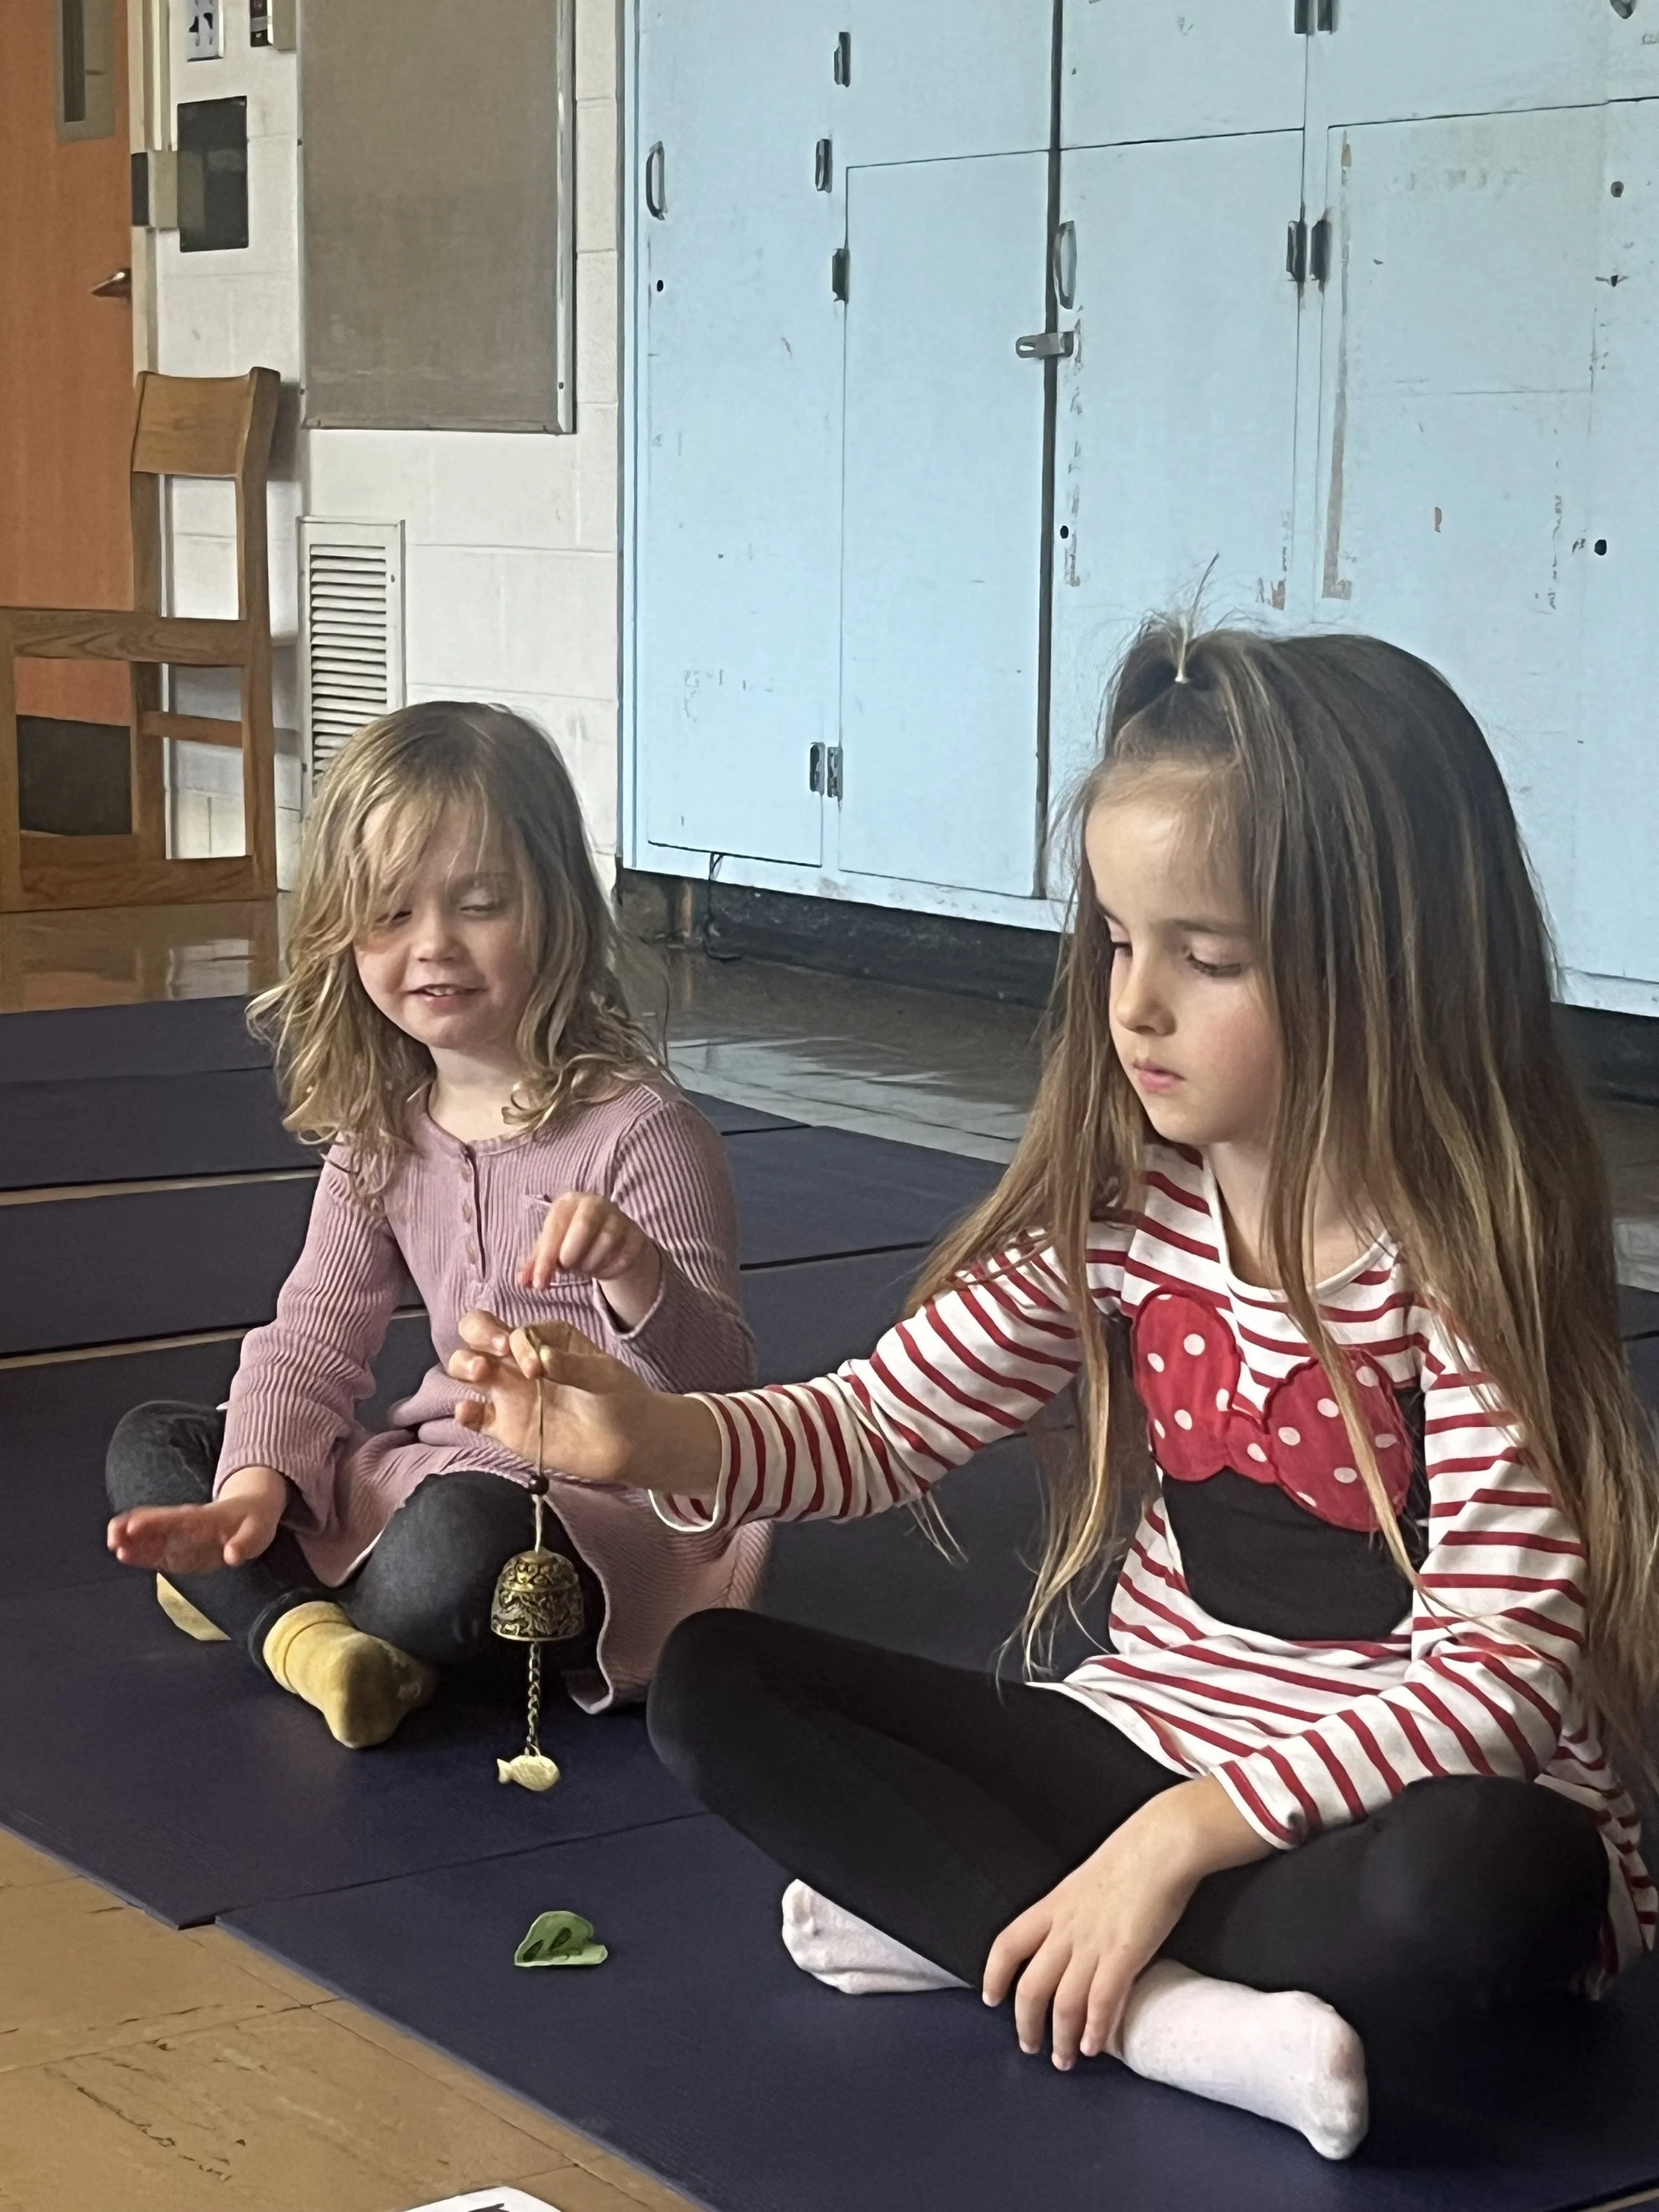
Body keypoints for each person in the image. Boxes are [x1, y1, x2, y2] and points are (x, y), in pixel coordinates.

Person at [444, 623, 1658, 2159]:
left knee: (1486, 1884)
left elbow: (1494, 1680)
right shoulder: (1121, 1218)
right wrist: (647, 1433)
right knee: (716, 1686)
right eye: (1111, 940)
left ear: (1389, 967)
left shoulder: (1456, 1271)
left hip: (1373, 1821)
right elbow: (875, 1426)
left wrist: (1170, 1843)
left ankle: (992, 1927)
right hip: (1141, 1755)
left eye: (1204, 957)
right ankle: (1170, 2019)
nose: (1131, 1004)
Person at [105, 702, 763, 1749]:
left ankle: (279, 1616)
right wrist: (253, 1489)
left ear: (554, 910)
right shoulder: (377, 1132)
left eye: (480, 904)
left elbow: (720, 1395)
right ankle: (326, 1645)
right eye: (391, 913)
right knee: (160, 1443)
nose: (433, 948)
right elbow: (312, 1336)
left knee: (456, 1543)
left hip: (584, 1515)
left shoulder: (644, 1134)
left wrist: (639, 1278)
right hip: (422, 1475)